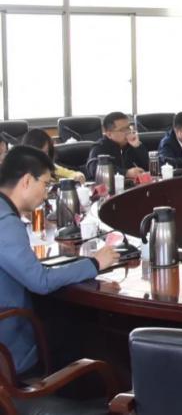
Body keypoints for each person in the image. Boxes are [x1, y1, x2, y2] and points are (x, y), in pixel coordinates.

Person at [0, 146, 117, 376]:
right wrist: (94, 263)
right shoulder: (6, 223)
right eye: (45, 185)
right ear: (26, 181)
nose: (46, 195)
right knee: (83, 326)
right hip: (10, 346)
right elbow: (40, 281)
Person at [86, 111, 148, 181]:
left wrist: (138, 147)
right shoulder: (99, 147)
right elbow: (95, 170)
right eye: (123, 130)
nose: (128, 132)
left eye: (128, 128)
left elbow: (148, 167)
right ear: (109, 134)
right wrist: (126, 173)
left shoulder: (131, 144)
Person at [19, 128, 86, 183]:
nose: (44, 157)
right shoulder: (19, 173)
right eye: (39, 153)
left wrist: (79, 176)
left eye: (46, 152)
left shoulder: (52, 168)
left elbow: (74, 174)